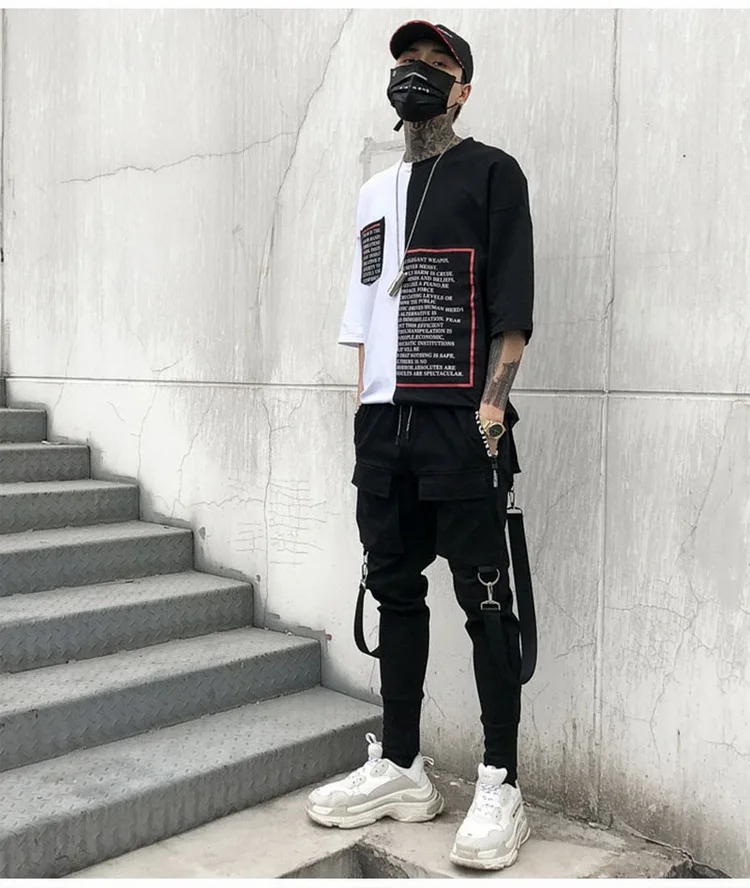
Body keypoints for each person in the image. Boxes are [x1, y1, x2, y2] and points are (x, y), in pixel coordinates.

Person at [306, 19, 534, 871]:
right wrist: (364, 407)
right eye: (408, 61)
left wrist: (491, 410)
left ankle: (501, 780)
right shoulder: (375, 192)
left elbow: (512, 307)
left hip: (459, 420)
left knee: (485, 600)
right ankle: (402, 766)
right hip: (384, 425)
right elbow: (366, 305)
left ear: (462, 88)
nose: (418, 73)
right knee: (394, 590)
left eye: (438, 64)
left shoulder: (493, 173)